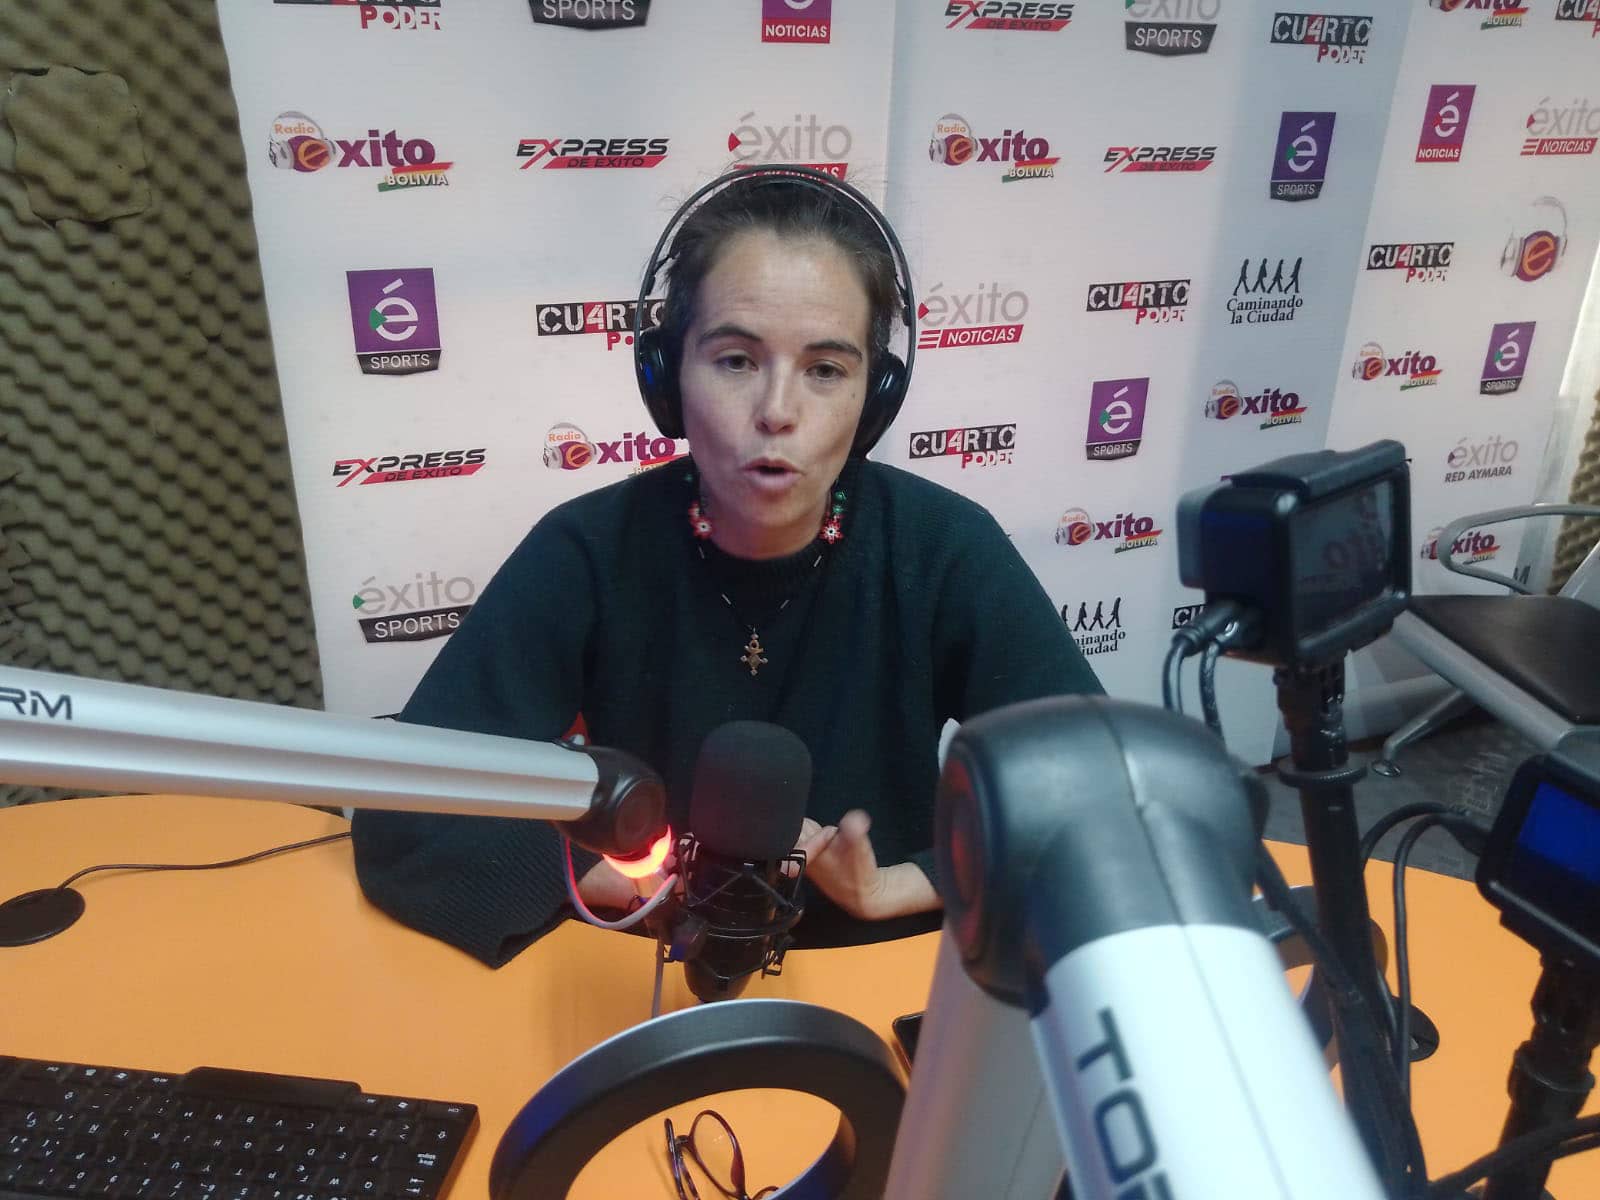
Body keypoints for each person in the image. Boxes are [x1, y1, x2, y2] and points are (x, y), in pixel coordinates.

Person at [351, 167, 1102, 966]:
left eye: (825, 370)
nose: (777, 411)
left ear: (874, 399)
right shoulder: (588, 550)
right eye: (737, 360)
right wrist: (610, 880)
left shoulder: (944, 548)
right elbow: (411, 805)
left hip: (880, 978)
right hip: (651, 976)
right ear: (667, 376)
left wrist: (903, 884)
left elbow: (1099, 790)